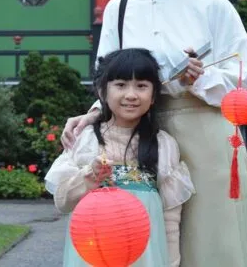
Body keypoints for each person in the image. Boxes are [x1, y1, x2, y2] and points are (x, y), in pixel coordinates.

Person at [62, 0, 247, 266]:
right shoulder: (118, 9)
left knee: (211, 245)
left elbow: (242, 82)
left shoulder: (211, 3)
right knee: (149, 245)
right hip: (141, 140)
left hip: (206, 135)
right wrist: (91, 114)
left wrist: (197, 80)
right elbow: (108, 76)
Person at [45, 47, 195, 267]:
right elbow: (63, 201)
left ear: (154, 96)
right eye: (121, 85)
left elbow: (170, 218)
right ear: (102, 92)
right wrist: (89, 177)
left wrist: (171, 262)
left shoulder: (164, 145)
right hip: (94, 253)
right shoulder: (86, 139)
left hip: (147, 255)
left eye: (142, 86)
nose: (131, 95)